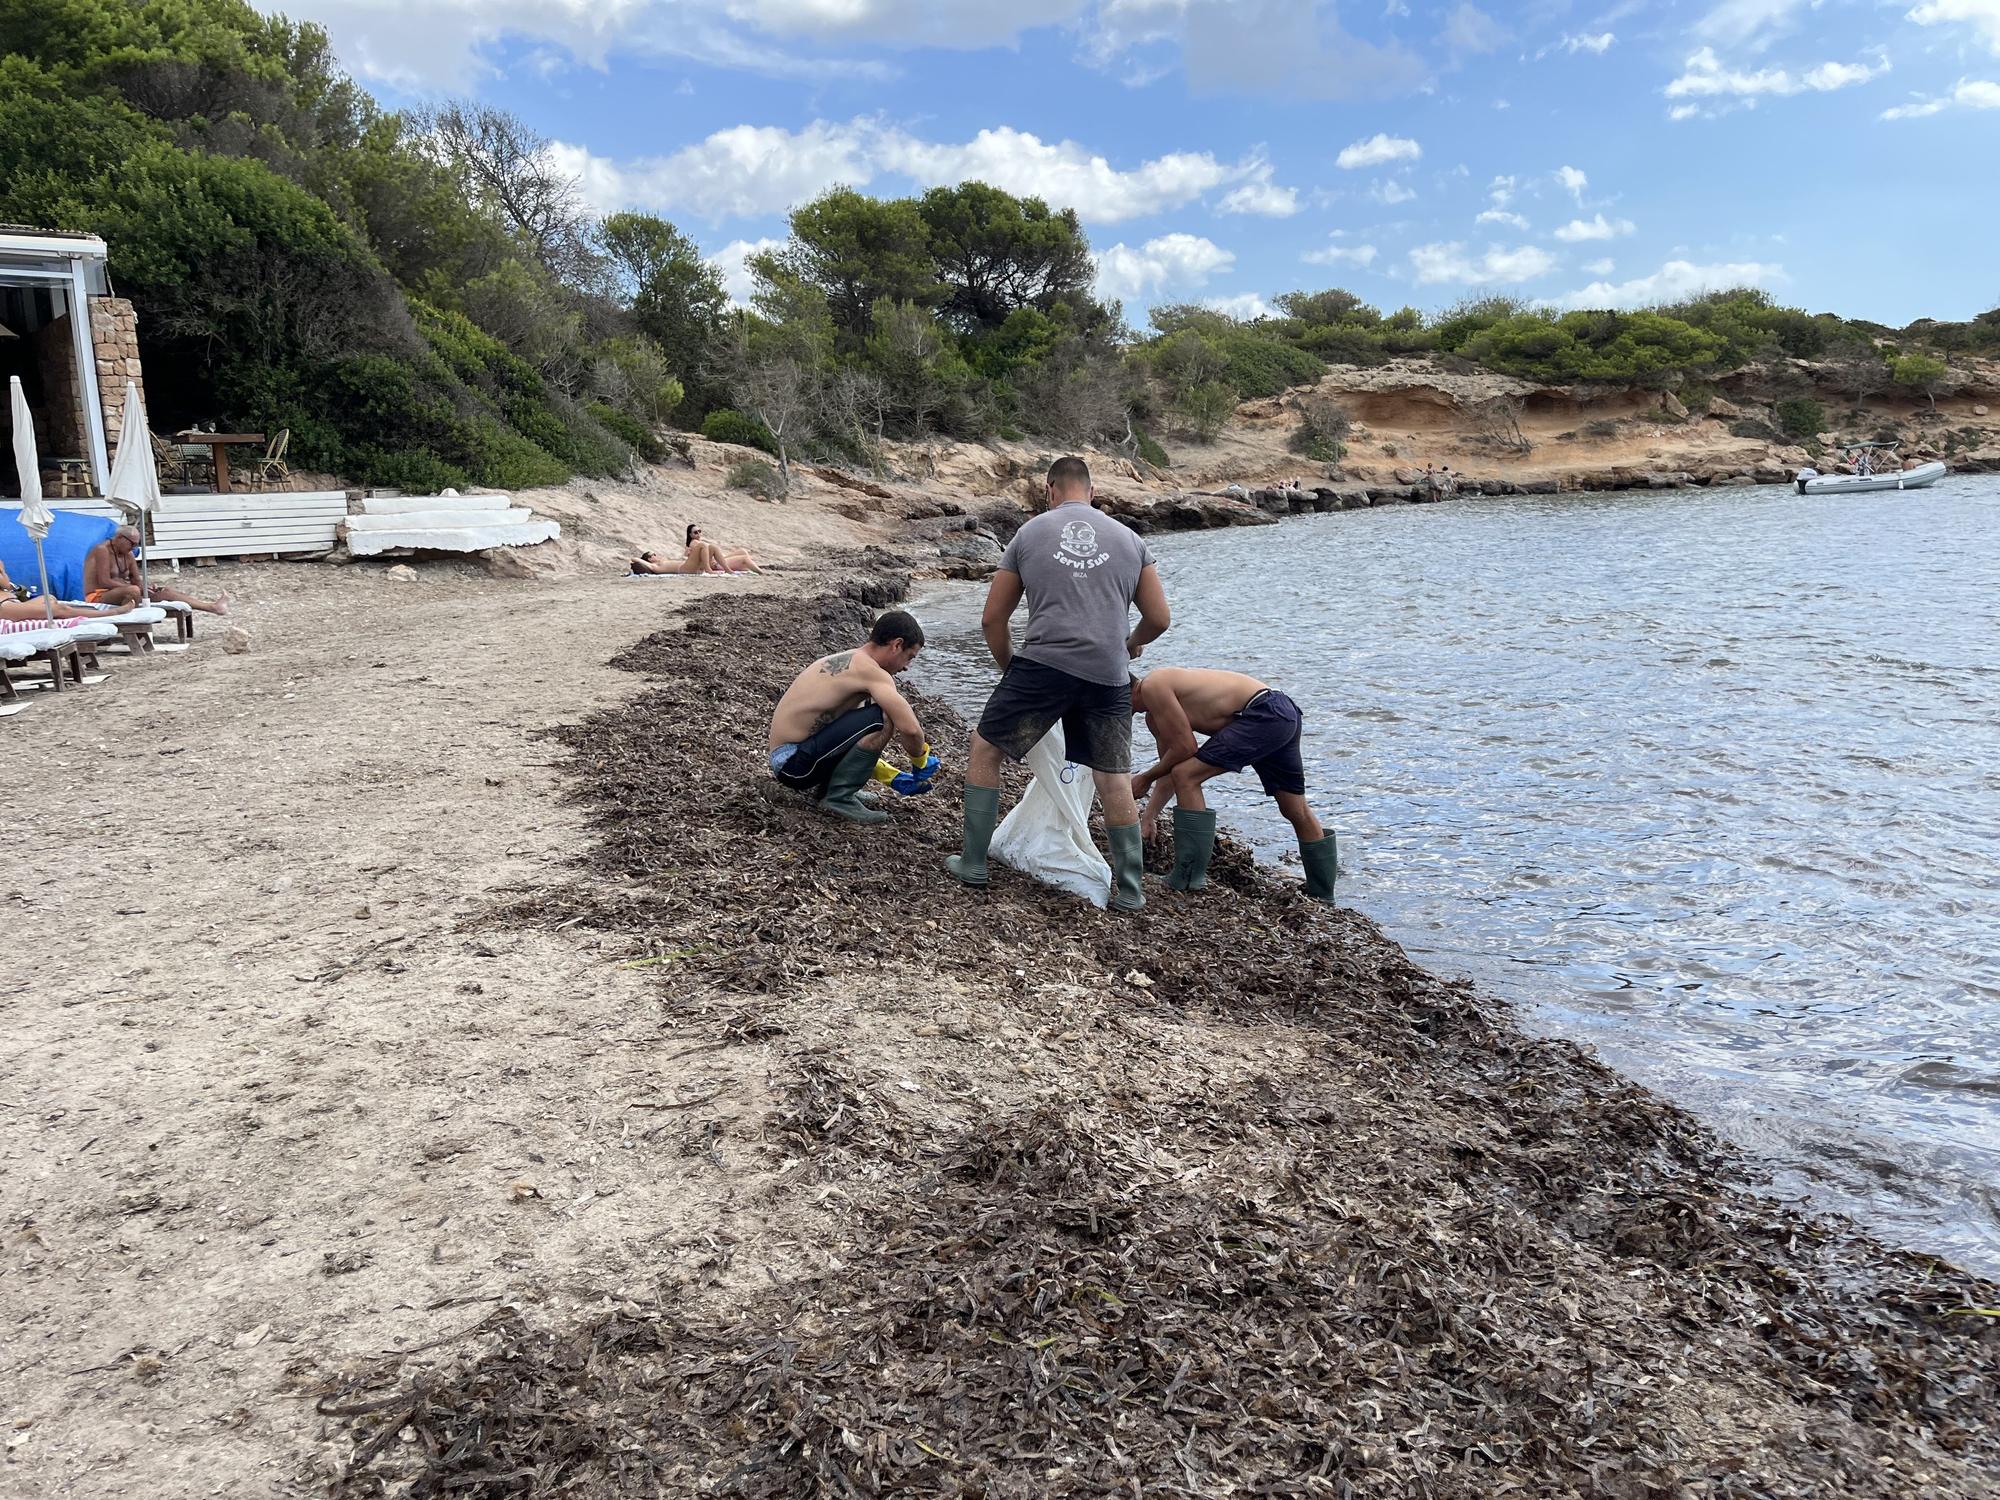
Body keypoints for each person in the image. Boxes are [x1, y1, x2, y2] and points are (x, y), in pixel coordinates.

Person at [946, 455, 1171, 911]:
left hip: (1044, 665)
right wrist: (1129, 644)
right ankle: (1130, 890)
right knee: (1112, 778)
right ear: (1092, 493)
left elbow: (993, 618)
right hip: (1107, 676)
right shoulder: (1130, 541)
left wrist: (1010, 665)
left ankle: (973, 863)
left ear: (1050, 491)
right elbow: (1160, 619)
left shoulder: (1029, 533)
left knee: (986, 749)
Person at [1130, 667, 1337, 903]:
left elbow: (1186, 748)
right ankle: (1322, 893)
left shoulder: (1152, 685)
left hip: (1263, 711)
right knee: (1293, 807)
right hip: (1282, 713)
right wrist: (1149, 816)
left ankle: (1188, 878)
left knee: (1187, 776)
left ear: (1121, 693)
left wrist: (1144, 778)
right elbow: (1168, 770)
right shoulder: (1155, 715)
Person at [767, 610, 935, 824]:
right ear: (896, 644)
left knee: (871, 714)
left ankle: (837, 789)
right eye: (909, 657)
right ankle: (839, 798)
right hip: (793, 766)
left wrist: (889, 775)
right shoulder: (872, 672)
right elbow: (910, 728)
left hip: (789, 760)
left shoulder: (850, 659)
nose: (906, 667)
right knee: (884, 716)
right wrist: (920, 761)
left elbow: (847, 738)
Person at [83, 529, 227, 614]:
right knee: (133, 590)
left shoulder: (128, 554)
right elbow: (104, 581)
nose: (134, 547)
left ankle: (212, 607)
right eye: (131, 543)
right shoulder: (102, 550)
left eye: (136, 544)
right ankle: (132, 625)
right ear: (119, 538)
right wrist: (138, 588)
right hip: (97, 595)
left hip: (124, 591)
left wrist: (148, 587)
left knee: (164, 592)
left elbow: (136, 579)